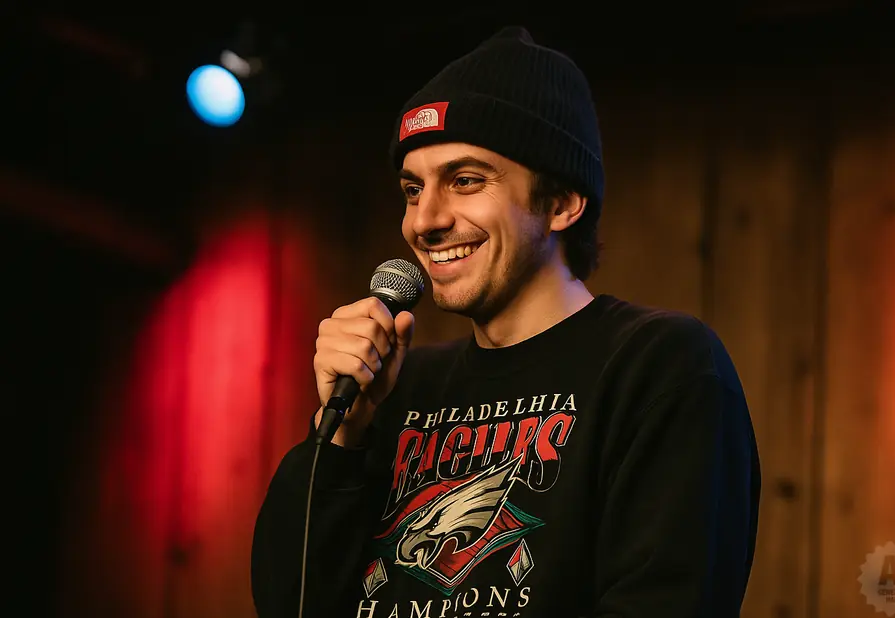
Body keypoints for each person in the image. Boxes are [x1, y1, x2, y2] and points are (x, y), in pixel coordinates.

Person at [251, 26, 761, 618]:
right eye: (412, 189)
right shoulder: (396, 388)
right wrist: (342, 437)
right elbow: (290, 602)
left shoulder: (658, 364)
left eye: (465, 181)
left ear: (563, 201)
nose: (425, 220)